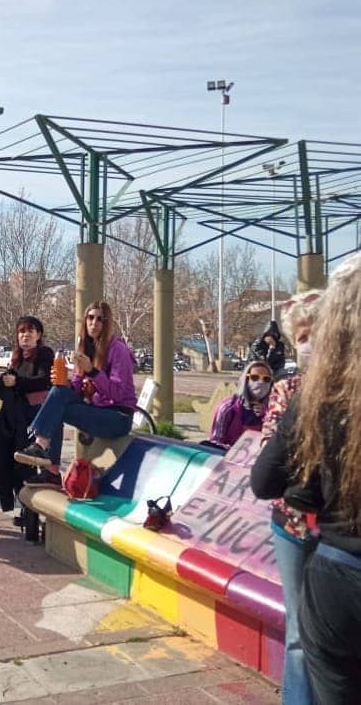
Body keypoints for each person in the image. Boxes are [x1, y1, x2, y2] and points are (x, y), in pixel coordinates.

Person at [250, 252, 361, 704]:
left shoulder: (320, 395)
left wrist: (306, 488)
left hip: (338, 568)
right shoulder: (295, 391)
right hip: (307, 539)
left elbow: (265, 479)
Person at [253, 290, 323, 705]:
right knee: (298, 633)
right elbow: (269, 459)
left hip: (338, 534)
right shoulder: (286, 389)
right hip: (292, 526)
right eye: (301, 337)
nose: (308, 344)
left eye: (315, 333)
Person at [15, 301, 136, 486]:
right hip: (97, 411)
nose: (94, 323)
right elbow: (78, 391)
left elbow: (118, 394)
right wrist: (65, 384)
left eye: (100, 319)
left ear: (107, 323)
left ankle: (42, 450)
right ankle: (50, 467)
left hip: (118, 417)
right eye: (90, 318)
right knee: (56, 395)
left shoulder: (118, 350)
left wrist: (92, 371)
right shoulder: (85, 347)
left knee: (57, 404)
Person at [0, 316, 53, 519]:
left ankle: (30, 514)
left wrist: (16, 382)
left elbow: (43, 381)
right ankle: (14, 504)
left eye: (30, 331)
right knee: (3, 462)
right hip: (10, 419)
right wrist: (5, 382)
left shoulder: (44, 353)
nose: (25, 335)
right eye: (21, 331)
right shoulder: (17, 359)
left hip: (30, 419)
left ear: (38, 335)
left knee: (24, 466)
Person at [206, 359, 273, 449]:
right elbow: (214, 442)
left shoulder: (272, 410)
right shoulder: (228, 407)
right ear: (245, 380)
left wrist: (267, 416)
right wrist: (233, 451)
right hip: (225, 455)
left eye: (266, 379)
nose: (261, 382)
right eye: (254, 377)